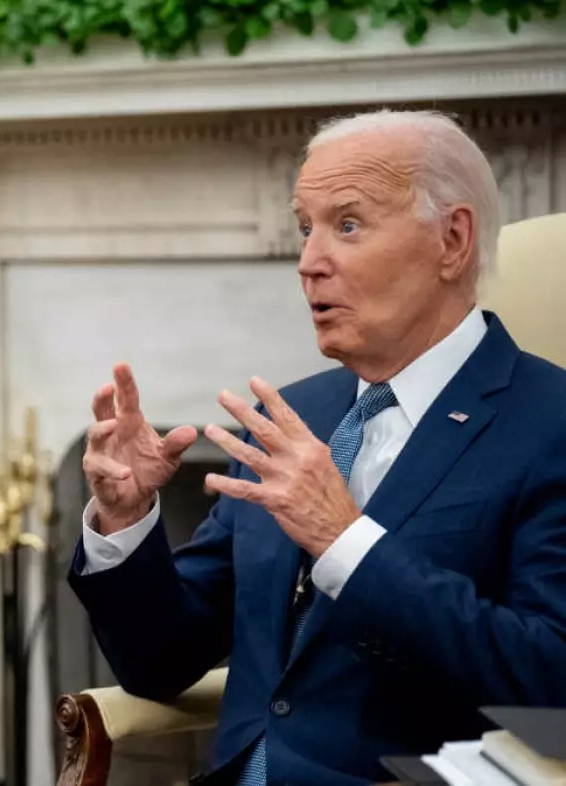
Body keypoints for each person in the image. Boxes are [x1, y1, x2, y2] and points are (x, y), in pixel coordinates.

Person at [70, 110, 566, 785]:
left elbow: (549, 682)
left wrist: (345, 542)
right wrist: (125, 525)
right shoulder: (295, 413)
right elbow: (161, 661)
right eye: (306, 228)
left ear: (451, 240)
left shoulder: (550, 423)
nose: (309, 262)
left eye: (348, 225)